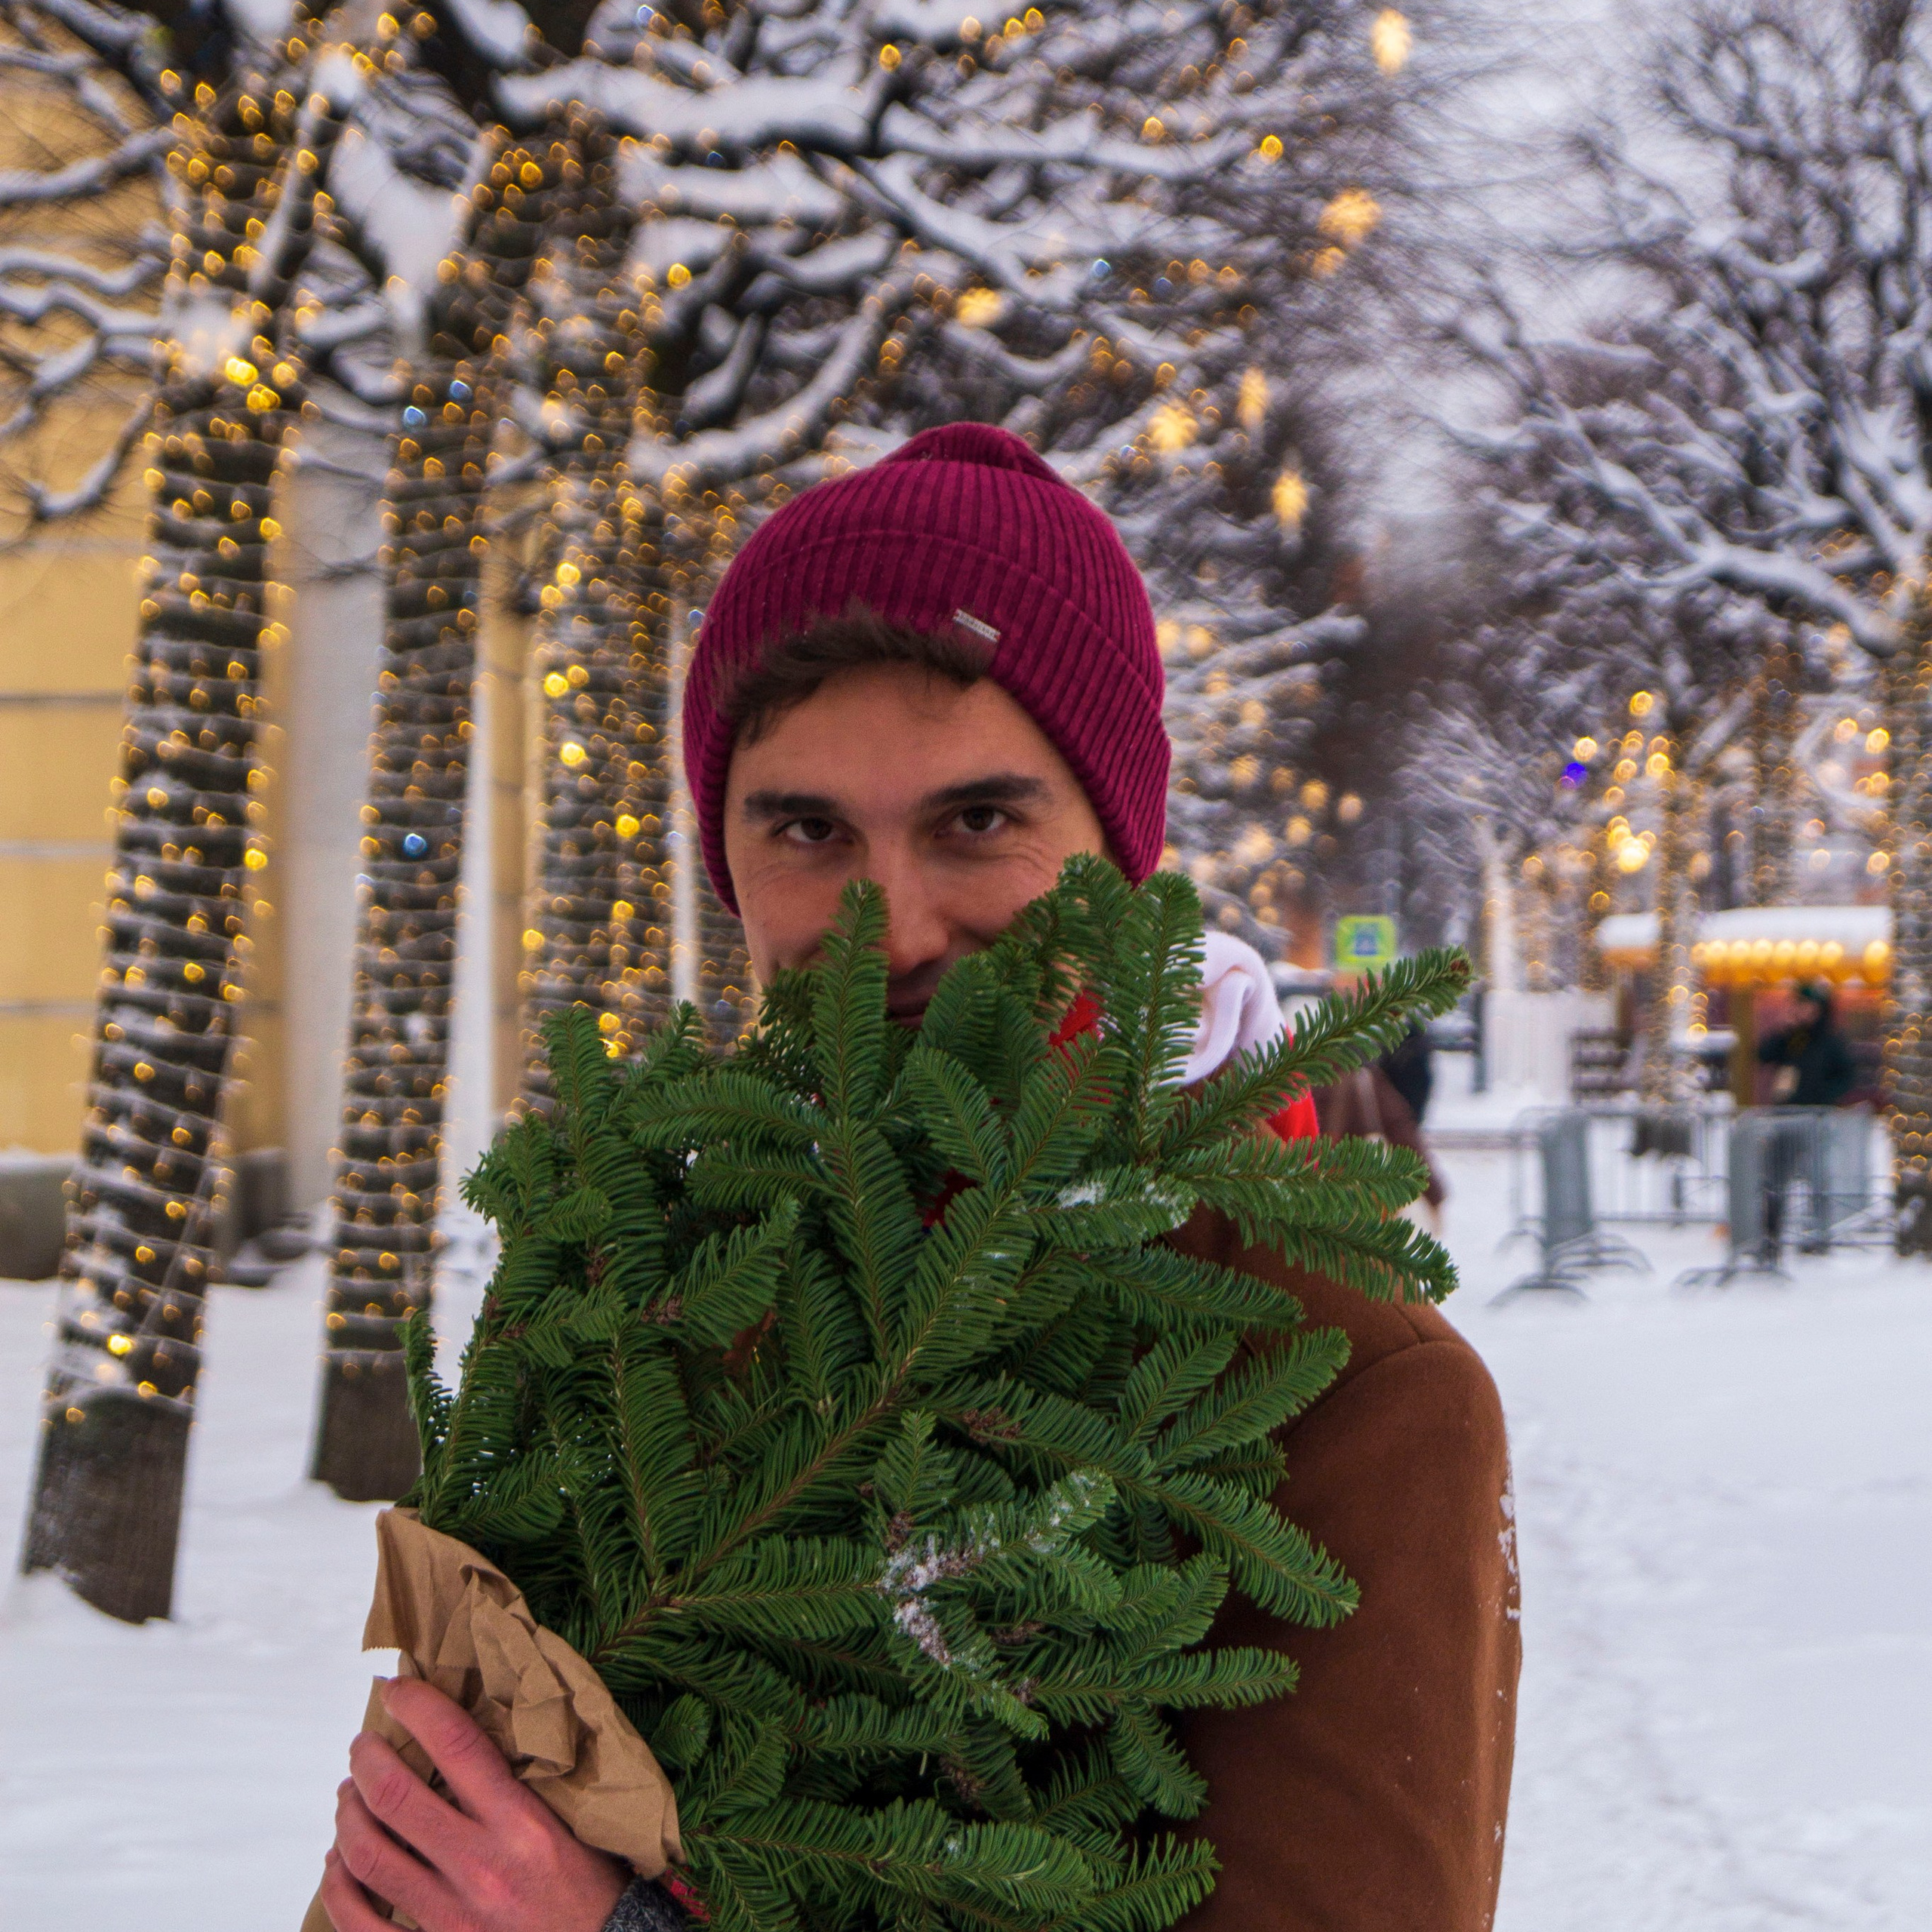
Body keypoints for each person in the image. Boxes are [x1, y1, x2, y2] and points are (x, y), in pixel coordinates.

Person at [320, 425, 1519, 1932]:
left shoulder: (1341, 1375)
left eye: (975, 821)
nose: (888, 931)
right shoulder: (637, 1291)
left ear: (1119, 846)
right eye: (808, 829)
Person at [1755, 980, 1857, 1258]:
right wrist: (1785, 1030)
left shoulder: (1831, 1041)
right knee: (1775, 1180)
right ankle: (1770, 1238)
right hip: (1785, 1119)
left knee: (1817, 1182)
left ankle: (1817, 1238)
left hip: (1816, 1120)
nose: (1803, 1010)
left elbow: (1846, 1076)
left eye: (1808, 1005)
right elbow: (1762, 1054)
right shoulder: (1791, 1039)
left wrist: (1825, 1098)